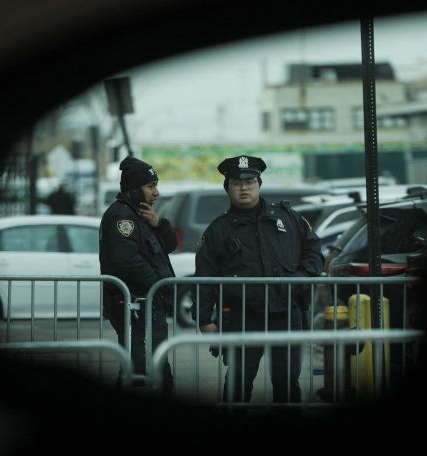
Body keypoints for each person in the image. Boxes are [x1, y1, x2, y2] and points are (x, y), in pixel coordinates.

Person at [194, 154, 323, 403]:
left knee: (287, 381)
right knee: (238, 382)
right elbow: (204, 275)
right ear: (227, 188)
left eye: (250, 182)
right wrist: (204, 319)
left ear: (259, 185)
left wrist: (300, 280)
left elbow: (314, 250)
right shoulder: (218, 230)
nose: (244, 188)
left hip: (286, 312)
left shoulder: (287, 217)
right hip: (244, 316)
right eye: (236, 183)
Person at [98, 156, 177, 397]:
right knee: (143, 371)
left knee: (146, 369)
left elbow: (169, 246)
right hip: (137, 305)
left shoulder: (141, 214)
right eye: (150, 186)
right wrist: (159, 285)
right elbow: (127, 260)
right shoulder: (123, 217)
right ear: (133, 189)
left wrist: (159, 223)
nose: (156, 192)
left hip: (147, 304)